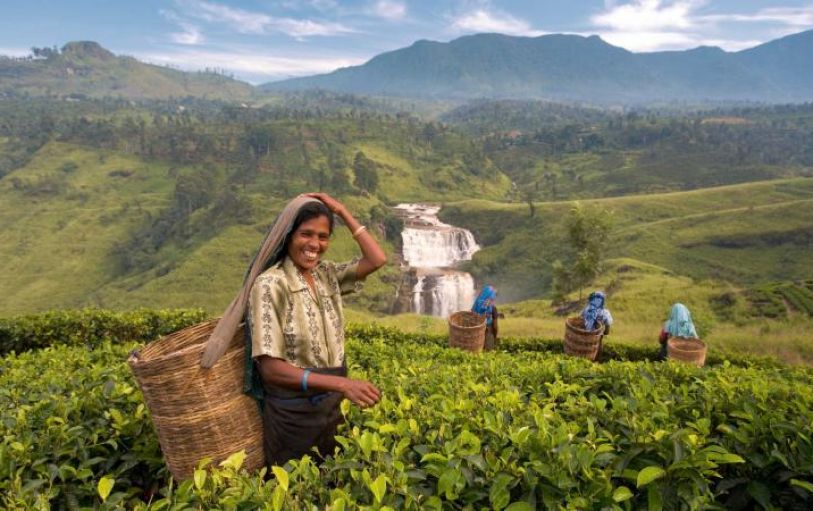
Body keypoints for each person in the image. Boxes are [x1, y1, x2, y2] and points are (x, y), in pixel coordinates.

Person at [201, 192, 386, 468]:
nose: (314, 244)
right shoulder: (271, 284)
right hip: (293, 416)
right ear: (288, 236)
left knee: (331, 480)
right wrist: (342, 384)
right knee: (294, 483)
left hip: (331, 410)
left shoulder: (326, 275)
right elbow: (271, 370)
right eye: (306, 234)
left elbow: (376, 259)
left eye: (323, 237)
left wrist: (342, 211)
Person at [472, 285, 499, 350]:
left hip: (476, 338)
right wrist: (495, 336)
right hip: (488, 335)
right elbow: (495, 326)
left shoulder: (475, 308)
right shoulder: (493, 309)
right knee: (488, 351)